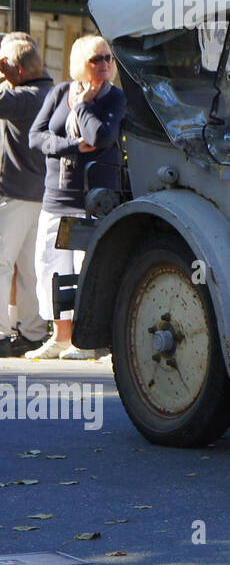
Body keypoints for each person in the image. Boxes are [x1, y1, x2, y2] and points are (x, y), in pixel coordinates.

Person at [25, 35, 126, 360]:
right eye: (96, 59)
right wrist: (68, 146)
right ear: (81, 62)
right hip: (57, 196)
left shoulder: (114, 98)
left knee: (89, 268)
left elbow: (101, 137)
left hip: (94, 197)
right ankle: (61, 335)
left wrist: (83, 106)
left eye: (108, 58)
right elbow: (36, 136)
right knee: (50, 266)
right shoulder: (59, 92)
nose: (105, 65)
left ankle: (90, 340)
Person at [0, 33, 54, 355]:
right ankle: (32, 331)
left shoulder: (22, 98)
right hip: (43, 193)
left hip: (15, 192)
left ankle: (2, 333)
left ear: (16, 69)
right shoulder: (52, 92)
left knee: (2, 263)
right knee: (30, 266)